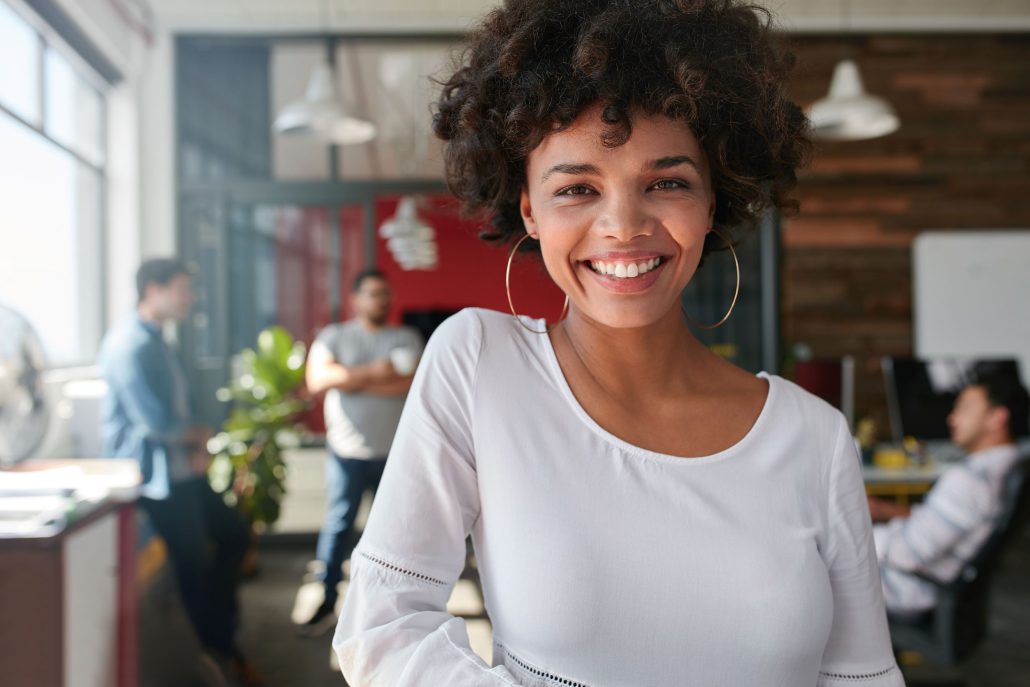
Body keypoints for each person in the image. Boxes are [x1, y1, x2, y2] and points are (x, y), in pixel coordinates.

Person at [332, 1, 904, 685]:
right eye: (577, 188)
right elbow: (382, 622)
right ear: (529, 209)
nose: (624, 226)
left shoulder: (813, 436)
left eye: (666, 182)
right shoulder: (480, 365)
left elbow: (863, 676)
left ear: (713, 198)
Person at [99, 258, 255, 684]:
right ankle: (216, 649)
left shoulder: (159, 339)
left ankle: (220, 636)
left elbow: (181, 405)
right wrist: (196, 437)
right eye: (183, 289)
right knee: (195, 563)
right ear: (153, 288)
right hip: (156, 478)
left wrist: (197, 440)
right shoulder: (129, 344)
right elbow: (154, 422)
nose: (190, 298)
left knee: (233, 535)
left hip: (183, 468)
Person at [298, 269, 424, 636]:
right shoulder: (334, 336)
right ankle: (325, 601)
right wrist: (376, 371)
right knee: (338, 528)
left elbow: (412, 384)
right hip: (346, 454)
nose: (380, 300)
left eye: (385, 294)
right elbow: (318, 380)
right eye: (372, 294)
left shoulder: (406, 337)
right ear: (355, 299)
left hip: (394, 455)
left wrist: (352, 380)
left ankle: (393, 614)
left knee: (398, 535)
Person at [869, 374, 1030, 614]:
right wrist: (883, 510)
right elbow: (944, 522)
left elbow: (906, 554)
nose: (952, 418)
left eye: (964, 408)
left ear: (998, 418)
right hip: (940, 583)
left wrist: (854, 535)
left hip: (906, 587)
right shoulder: (1010, 465)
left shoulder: (969, 482)